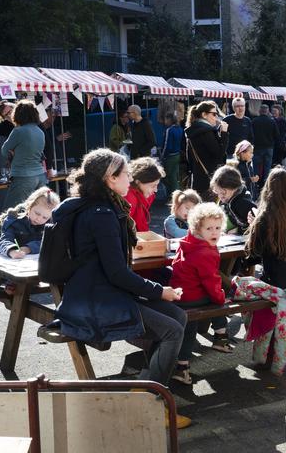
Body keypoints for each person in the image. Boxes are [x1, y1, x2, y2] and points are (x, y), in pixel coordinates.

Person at [54, 149, 189, 426]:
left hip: (98, 292)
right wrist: (158, 290)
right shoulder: (102, 213)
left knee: (178, 316)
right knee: (172, 328)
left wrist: (154, 290)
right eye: (125, 173)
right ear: (109, 178)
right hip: (97, 300)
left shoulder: (93, 205)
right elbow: (117, 273)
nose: (130, 177)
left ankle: (146, 384)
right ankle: (147, 400)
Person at [235, 168, 286, 375]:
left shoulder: (266, 217)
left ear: (268, 190)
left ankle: (265, 352)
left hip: (274, 282)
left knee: (243, 286)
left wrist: (252, 226)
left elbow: (253, 254)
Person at [169, 202, 232, 385]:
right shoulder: (206, 252)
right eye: (209, 228)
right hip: (193, 297)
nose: (214, 232)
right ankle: (221, 337)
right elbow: (211, 281)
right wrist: (221, 298)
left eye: (218, 228)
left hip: (181, 296)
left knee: (189, 330)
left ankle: (183, 368)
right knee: (220, 298)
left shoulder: (188, 243)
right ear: (197, 229)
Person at [0, 100, 49, 207]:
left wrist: (14, 152)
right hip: (40, 176)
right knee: (37, 211)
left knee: (11, 211)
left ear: (17, 114)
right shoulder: (39, 131)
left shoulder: (18, 131)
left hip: (23, 176)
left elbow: (4, 151)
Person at [0, 187, 60, 259]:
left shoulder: (50, 224)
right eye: (37, 213)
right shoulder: (15, 219)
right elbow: (4, 240)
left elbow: (50, 242)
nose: (39, 219)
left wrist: (28, 248)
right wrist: (11, 251)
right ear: (29, 206)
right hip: (14, 260)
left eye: (44, 217)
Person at [185, 101, 228, 199]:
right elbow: (219, 155)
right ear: (204, 115)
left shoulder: (193, 130)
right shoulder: (206, 131)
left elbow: (189, 159)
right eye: (214, 114)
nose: (216, 117)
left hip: (197, 178)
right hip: (209, 181)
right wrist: (224, 134)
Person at [210, 165, 257, 235]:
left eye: (223, 193)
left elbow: (257, 225)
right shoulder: (227, 199)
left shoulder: (243, 203)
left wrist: (238, 231)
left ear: (234, 187)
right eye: (217, 193)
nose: (220, 196)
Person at [125, 157, 164, 232]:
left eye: (157, 185)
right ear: (137, 182)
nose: (156, 190)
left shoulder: (147, 196)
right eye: (152, 186)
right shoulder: (129, 198)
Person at [252, 104, 277, 189]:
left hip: (257, 147)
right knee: (267, 167)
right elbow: (276, 134)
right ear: (267, 111)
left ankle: (256, 184)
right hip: (269, 147)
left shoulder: (254, 121)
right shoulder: (272, 121)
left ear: (259, 111)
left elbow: (251, 134)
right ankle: (266, 185)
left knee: (256, 166)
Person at [161, 112, 185, 195]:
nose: (164, 121)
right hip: (177, 155)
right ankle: (176, 194)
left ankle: (172, 195)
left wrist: (162, 156)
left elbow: (167, 145)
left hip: (170, 157)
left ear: (169, 119)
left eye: (165, 119)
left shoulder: (169, 130)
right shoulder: (180, 129)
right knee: (174, 177)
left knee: (166, 176)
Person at [271, 106, 286, 170]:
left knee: (278, 160)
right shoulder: (273, 119)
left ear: (279, 111)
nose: (273, 113)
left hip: (280, 143)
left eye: (275, 111)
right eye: (273, 111)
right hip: (275, 143)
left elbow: (282, 132)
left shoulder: (281, 120)